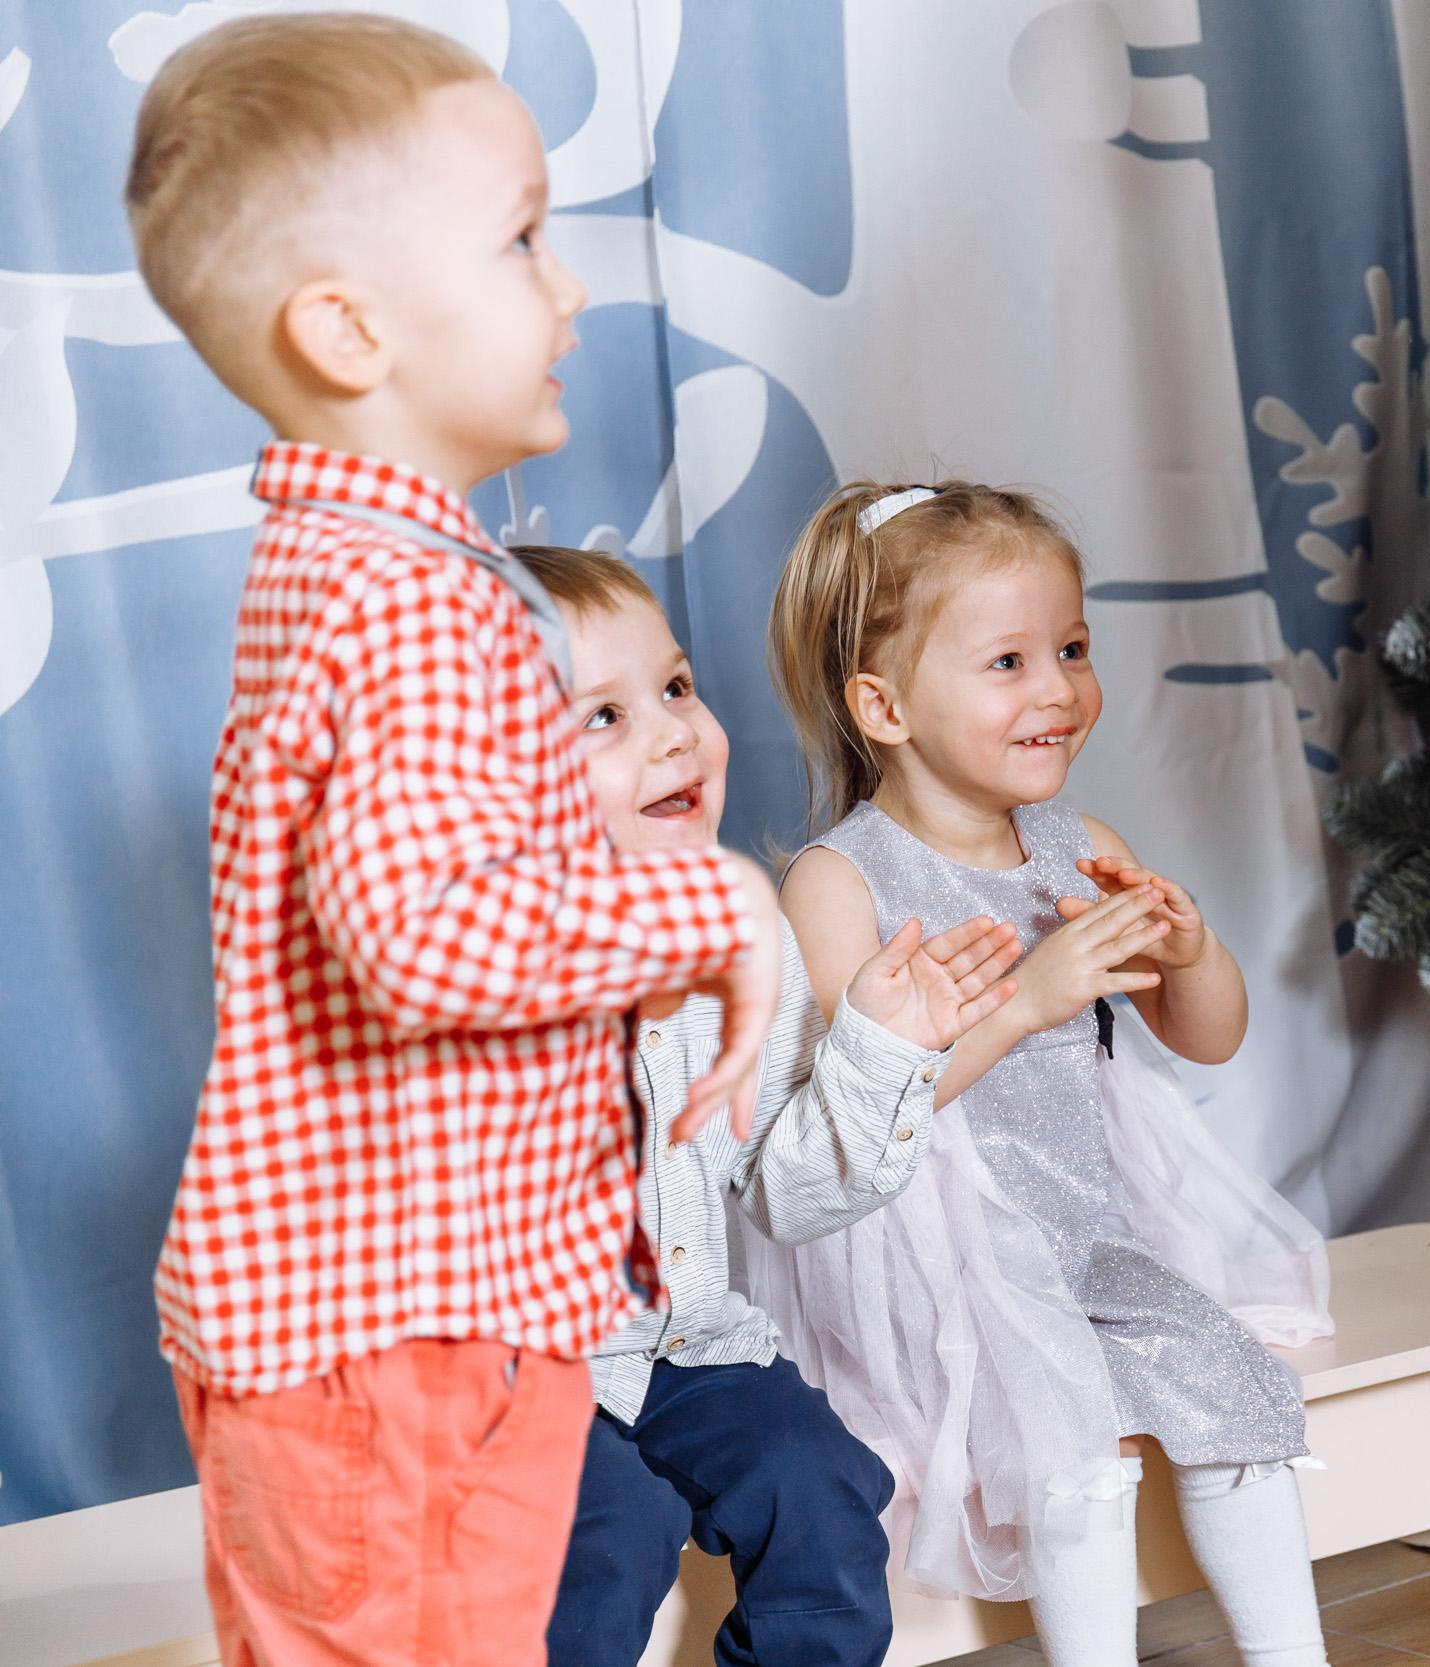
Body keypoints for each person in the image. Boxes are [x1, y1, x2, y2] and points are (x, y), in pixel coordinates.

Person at [129, 19, 776, 1663]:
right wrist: (708, 905)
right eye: (521, 240)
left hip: (399, 1319)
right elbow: (418, 933)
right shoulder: (419, 601)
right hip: (402, 1338)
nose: (569, 287)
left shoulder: (346, 567)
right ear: (347, 329)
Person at [746, 480, 1333, 1667]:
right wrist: (1027, 998)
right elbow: (852, 1123)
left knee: (1234, 1387)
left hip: (1087, 1222)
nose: (1059, 689)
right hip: (925, 1255)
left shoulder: (1083, 847)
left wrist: (1191, 952)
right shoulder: (838, 881)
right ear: (883, 705)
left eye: (1071, 647)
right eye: (1008, 662)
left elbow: (1208, 1036)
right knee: (1067, 1435)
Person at [508, 544, 1019, 1667]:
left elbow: (786, 1188)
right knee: (606, 1532)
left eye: (676, 687)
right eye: (603, 716)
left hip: (688, 1343)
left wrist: (879, 1049)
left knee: (822, 1485)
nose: (674, 733)